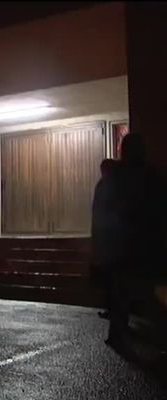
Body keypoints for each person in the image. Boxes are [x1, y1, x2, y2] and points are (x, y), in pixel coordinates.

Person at [102, 133, 166, 355]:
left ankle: (118, 335)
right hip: (145, 249)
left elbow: (102, 216)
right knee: (150, 295)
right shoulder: (152, 177)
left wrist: (101, 251)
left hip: (123, 249)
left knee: (123, 294)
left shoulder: (114, 178)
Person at [90, 158, 118, 319]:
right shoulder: (110, 185)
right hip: (110, 241)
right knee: (111, 280)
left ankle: (114, 311)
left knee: (112, 280)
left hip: (110, 242)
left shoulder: (108, 185)